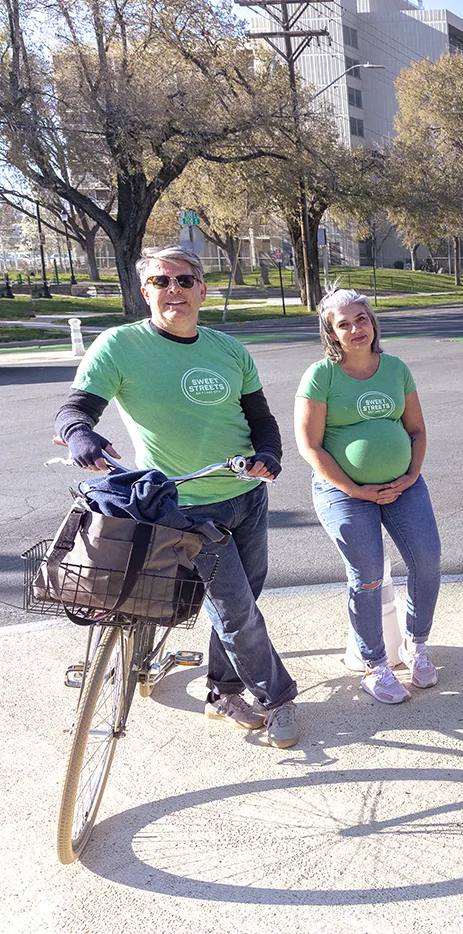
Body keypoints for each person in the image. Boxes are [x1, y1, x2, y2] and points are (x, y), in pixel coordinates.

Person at [53, 246, 300, 747]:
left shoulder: (230, 351)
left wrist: (269, 454)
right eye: (162, 282)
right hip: (183, 509)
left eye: (185, 281)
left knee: (244, 599)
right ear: (146, 291)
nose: (174, 291)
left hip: (247, 495)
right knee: (233, 608)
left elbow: (261, 421)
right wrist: (80, 434)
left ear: (202, 290)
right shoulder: (120, 346)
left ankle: (223, 690)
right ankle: (278, 698)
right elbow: (75, 409)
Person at [294, 289, 441, 704]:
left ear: (373, 323)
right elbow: (310, 446)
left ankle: (416, 645)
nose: (355, 329)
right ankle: (375, 666)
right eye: (344, 324)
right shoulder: (321, 375)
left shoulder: (395, 369)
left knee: (427, 561)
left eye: (362, 319)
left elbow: (416, 430)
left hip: (403, 486)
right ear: (331, 332)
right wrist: (354, 488)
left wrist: (412, 475)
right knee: (368, 576)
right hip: (344, 492)